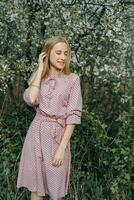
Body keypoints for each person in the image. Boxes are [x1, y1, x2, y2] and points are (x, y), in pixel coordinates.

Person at [17, 36, 82, 200]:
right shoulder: (39, 79)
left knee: (56, 189)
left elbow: (73, 116)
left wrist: (62, 148)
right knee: (36, 189)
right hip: (36, 135)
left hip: (57, 138)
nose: (63, 57)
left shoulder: (72, 80)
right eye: (58, 52)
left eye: (66, 53)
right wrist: (40, 68)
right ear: (47, 54)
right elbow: (32, 99)